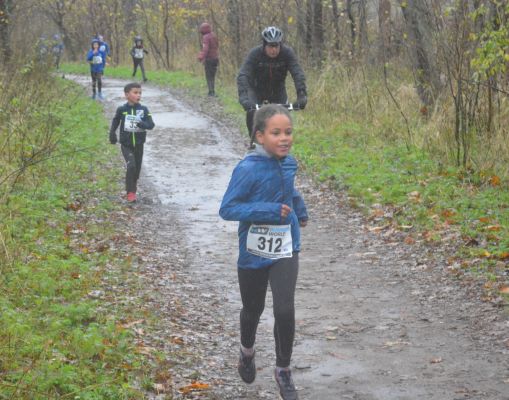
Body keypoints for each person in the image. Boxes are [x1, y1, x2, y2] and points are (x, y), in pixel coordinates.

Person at [219, 104, 308, 400]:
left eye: (288, 132)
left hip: (286, 245)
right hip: (253, 250)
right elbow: (228, 208)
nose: (284, 138)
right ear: (259, 136)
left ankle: (283, 369)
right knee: (253, 309)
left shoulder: (289, 163)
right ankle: (247, 351)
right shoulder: (247, 168)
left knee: (284, 309)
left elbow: (289, 190)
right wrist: (268, 211)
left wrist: (300, 210)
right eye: (276, 133)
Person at [237, 26, 307, 143]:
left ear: (280, 45)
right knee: (252, 113)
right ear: (264, 45)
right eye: (270, 46)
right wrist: (243, 97)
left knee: (283, 118)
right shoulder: (255, 54)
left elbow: (297, 73)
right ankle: (254, 142)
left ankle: (280, 144)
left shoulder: (287, 53)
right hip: (256, 89)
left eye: (276, 46)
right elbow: (243, 75)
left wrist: (301, 94)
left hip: (277, 90)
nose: (273, 50)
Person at [109, 82, 155, 202]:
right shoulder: (122, 109)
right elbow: (115, 121)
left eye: (140, 93)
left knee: (137, 169)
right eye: (135, 92)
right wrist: (112, 133)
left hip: (139, 144)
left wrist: (142, 124)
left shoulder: (144, 109)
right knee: (131, 165)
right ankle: (130, 192)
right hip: (126, 144)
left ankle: (133, 188)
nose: (138, 95)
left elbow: (151, 125)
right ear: (127, 95)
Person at [197, 22, 219, 97]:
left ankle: (211, 92)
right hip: (215, 58)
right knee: (213, 75)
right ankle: (212, 91)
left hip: (209, 59)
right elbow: (217, 45)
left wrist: (201, 57)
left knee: (208, 76)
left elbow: (205, 49)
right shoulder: (213, 35)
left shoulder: (206, 37)